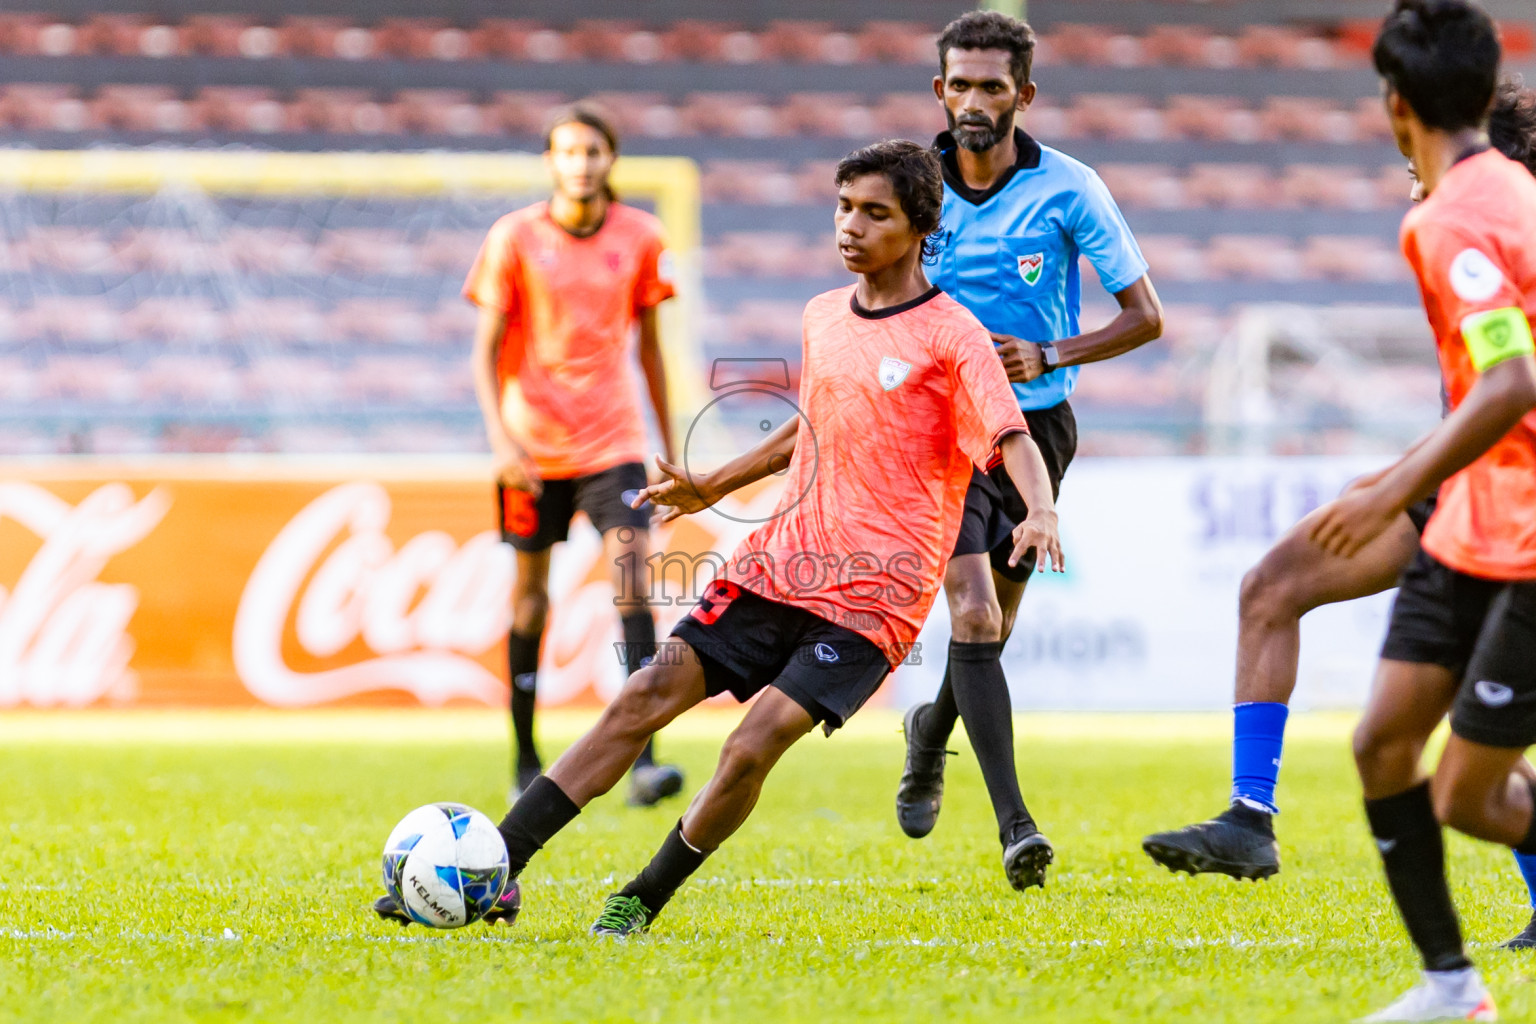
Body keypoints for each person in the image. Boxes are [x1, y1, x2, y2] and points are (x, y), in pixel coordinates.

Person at [374, 139, 1066, 935]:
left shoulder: (953, 335)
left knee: (751, 743)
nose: (850, 226)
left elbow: (1012, 436)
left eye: (874, 213)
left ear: (919, 228)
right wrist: (714, 484)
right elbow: (809, 433)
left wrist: (1039, 508)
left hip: (876, 595)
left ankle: (642, 897)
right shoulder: (822, 315)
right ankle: (497, 869)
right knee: (642, 696)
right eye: (843, 207)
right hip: (780, 563)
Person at [1142, 77, 1536, 949]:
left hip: (1511, 507)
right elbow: (1482, 403)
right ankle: (1250, 818)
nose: (1411, 182)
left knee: (1482, 737)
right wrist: (1392, 479)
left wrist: (1393, 485)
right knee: (1272, 584)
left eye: (1414, 163)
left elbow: (1515, 394)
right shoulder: (1462, 238)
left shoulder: (1492, 233)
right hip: (1461, 485)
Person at [893, 9, 1164, 890]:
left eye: (992, 86)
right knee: (972, 619)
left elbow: (1145, 316)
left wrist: (1052, 350)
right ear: (939, 90)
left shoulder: (1071, 188)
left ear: (1024, 94)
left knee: (994, 627)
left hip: (1038, 431)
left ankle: (930, 732)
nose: (973, 100)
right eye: (960, 84)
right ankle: (1016, 827)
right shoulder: (912, 185)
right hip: (939, 432)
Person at [1308, 3, 1535, 1018]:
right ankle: (1452, 988)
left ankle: (1450, 983)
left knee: (1469, 797)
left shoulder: (1448, 218)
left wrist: (1389, 490)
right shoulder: (1514, 191)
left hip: (1526, 536)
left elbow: (1507, 383)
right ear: (1486, 92)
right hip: (1467, 528)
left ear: (1394, 105)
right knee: (1382, 743)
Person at [463, 105, 684, 808]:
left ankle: (645, 759)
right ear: (551, 161)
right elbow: (485, 351)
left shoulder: (642, 236)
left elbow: (649, 349)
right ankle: (525, 757)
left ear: (610, 159)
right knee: (530, 601)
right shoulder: (516, 237)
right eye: (569, 152)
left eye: (593, 151)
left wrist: (670, 445)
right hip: (533, 448)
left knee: (632, 585)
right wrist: (501, 442)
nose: (582, 163)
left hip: (613, 442)